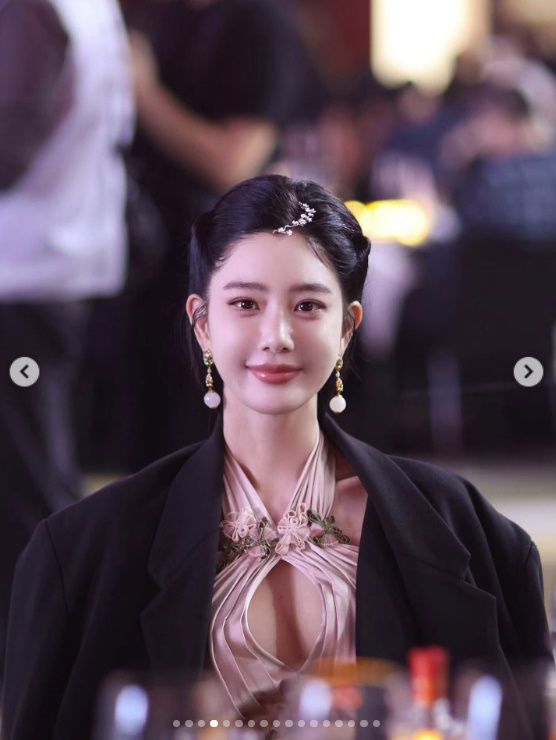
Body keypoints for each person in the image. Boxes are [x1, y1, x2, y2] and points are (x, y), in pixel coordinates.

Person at [2, 176, 553, 739]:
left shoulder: (471, 534)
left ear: (347, 327)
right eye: (245, 303)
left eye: (308, 305)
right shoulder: (83, 551)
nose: (277, 335)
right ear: (202, 324)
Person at [0, 0, 133, 690]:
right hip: (50, 268)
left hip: (22, 277)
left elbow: (8, 146)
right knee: (33, 480)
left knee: (30, 491)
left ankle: (59, 672)